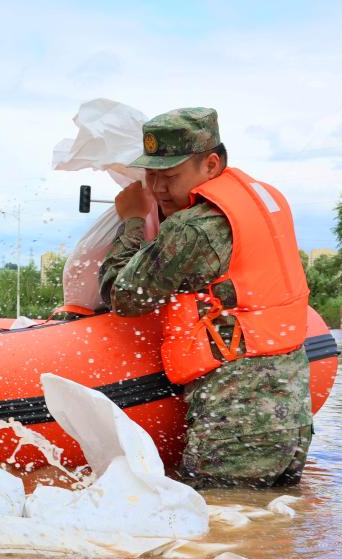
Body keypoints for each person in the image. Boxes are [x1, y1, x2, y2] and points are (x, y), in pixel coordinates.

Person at [99, 108, 312, 489]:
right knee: (264, 533)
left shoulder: (194, 228)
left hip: (236, 423)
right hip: (291, 419)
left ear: (211, 164)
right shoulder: (263, 200)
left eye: (170, 176)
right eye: (151, 175)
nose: (157, 188)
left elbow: (122, 295)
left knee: (211, 530)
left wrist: (132, 220)